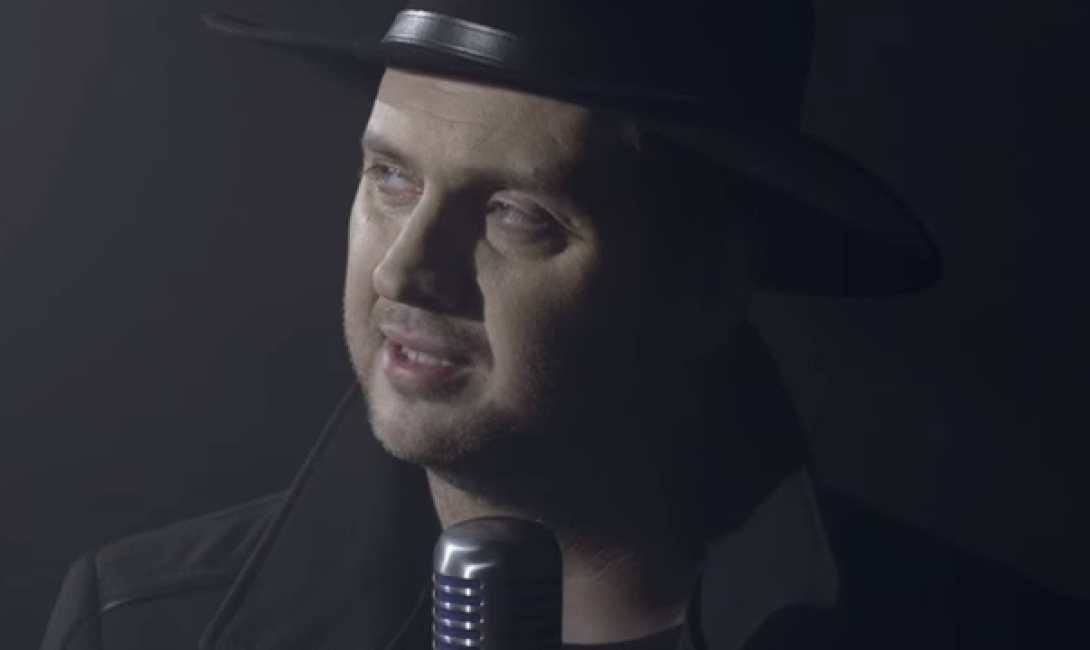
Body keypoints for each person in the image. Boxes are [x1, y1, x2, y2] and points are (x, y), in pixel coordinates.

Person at [40, 1, 1088, 649]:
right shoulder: (142, 626)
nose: (406, 267)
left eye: (516, 214)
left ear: (707, 282)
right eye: (390, 177)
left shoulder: (973, 634)